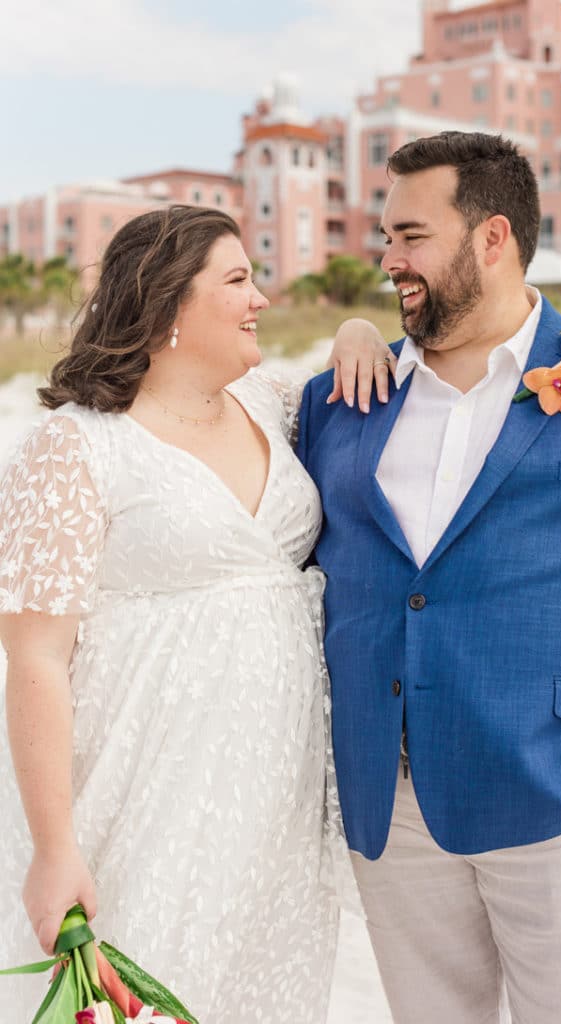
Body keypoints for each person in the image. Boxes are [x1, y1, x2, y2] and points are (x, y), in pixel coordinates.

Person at [297, 131, 561, 1024]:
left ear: (492, 236)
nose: (387, 259)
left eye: (409, 236)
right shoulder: (341, 396)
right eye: (385, 236)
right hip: (390, 804)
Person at [0, 205, 389, 1022]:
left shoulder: (269, 403)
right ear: (171, 301)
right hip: (144, 784)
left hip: (274, 799)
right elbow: (34, 658)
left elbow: (346, 380)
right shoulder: (76, 446)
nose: (263, 300)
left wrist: (357, 326)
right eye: (240, 280)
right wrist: (55, 847)